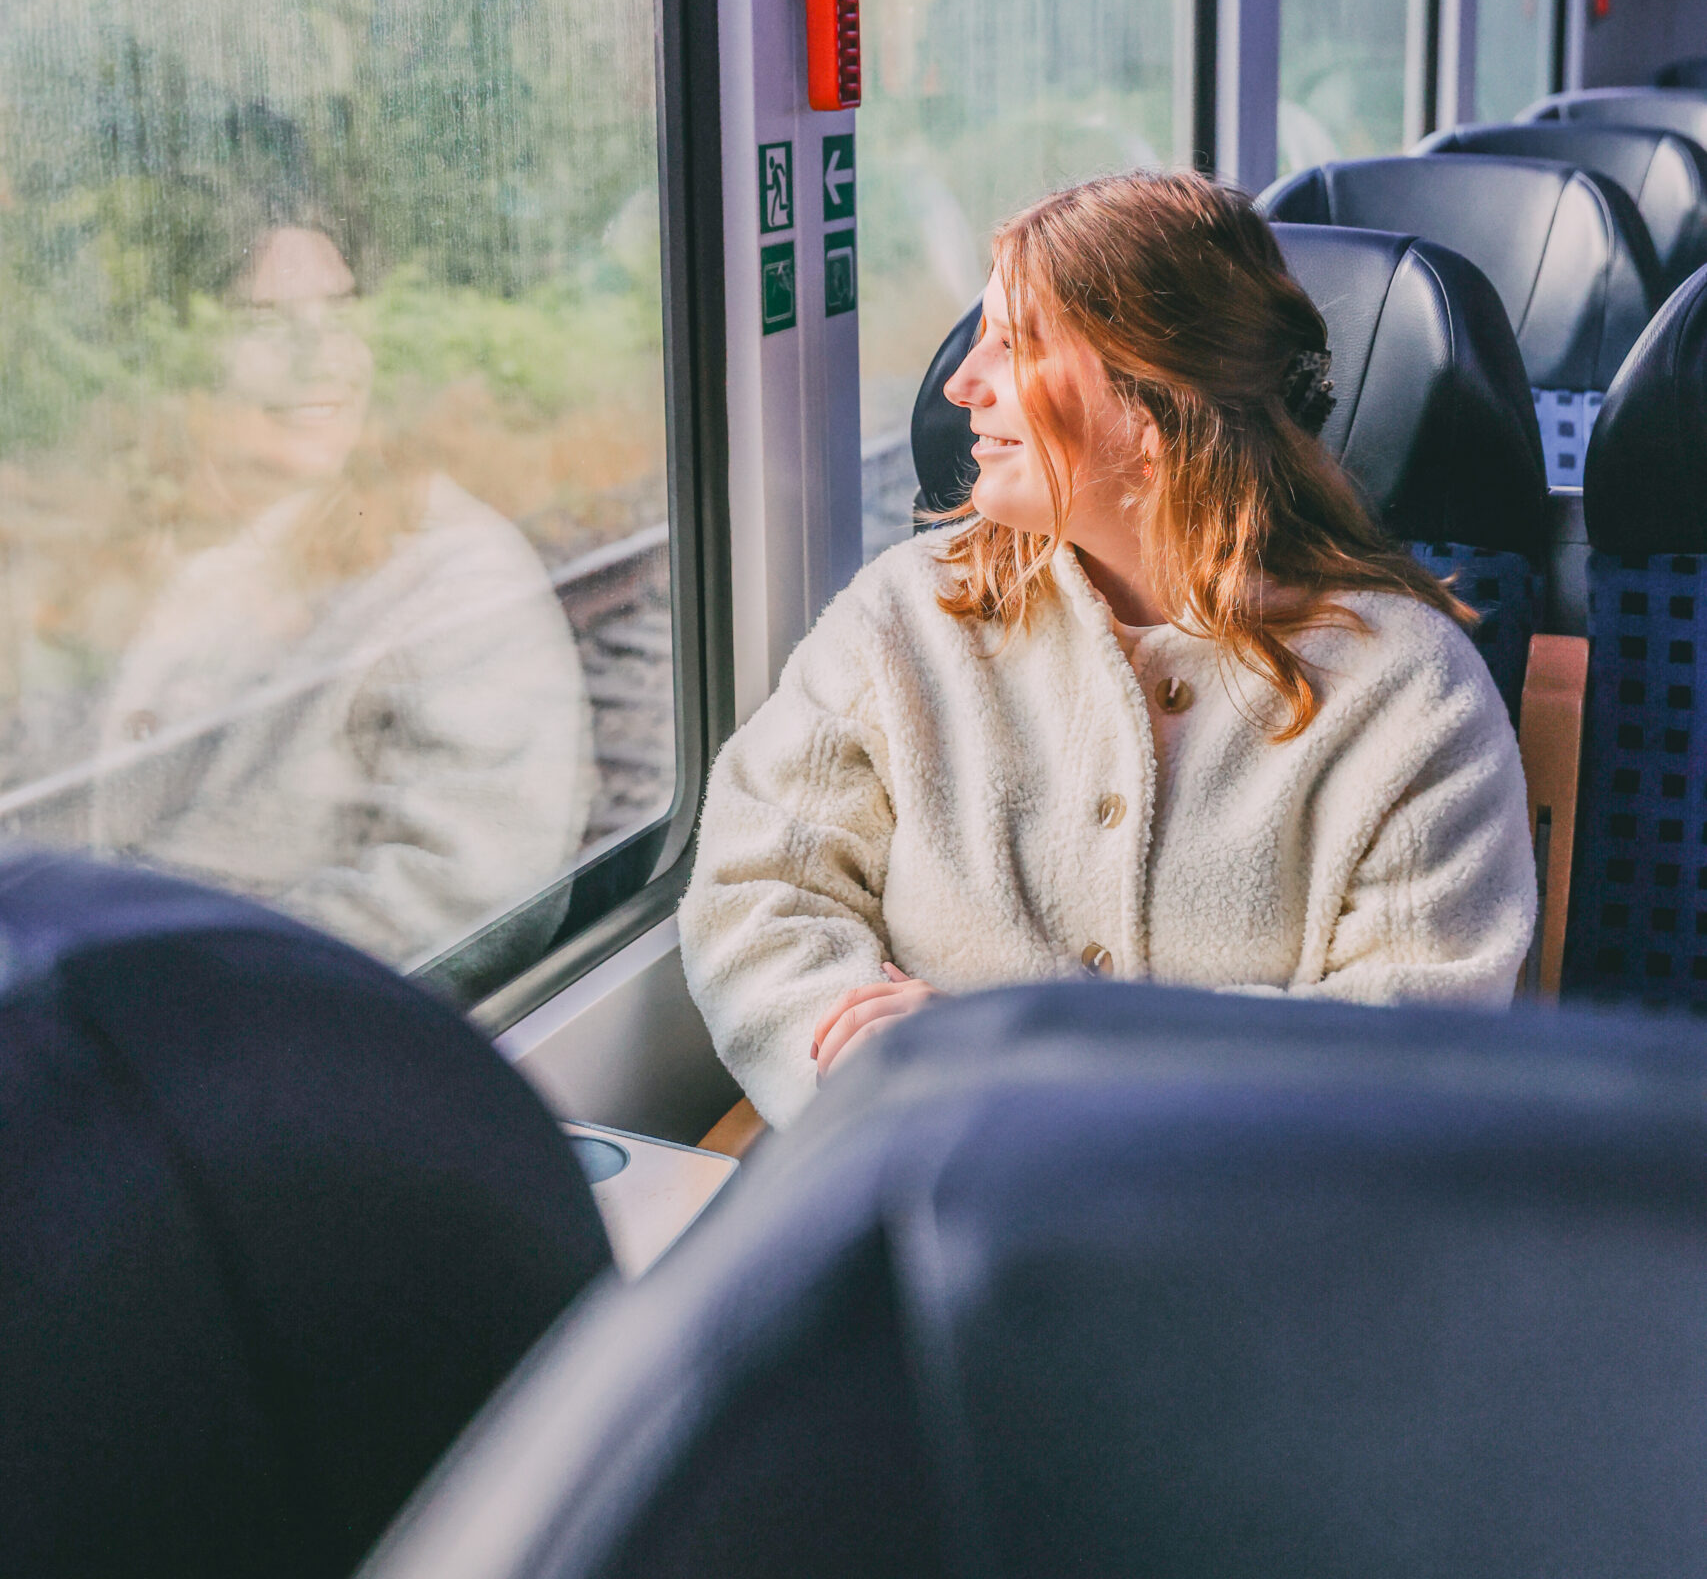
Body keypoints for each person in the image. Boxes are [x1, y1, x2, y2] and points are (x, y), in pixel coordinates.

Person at [680, 171, 1535, 1129]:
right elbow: (762, 893)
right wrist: (877, 1090)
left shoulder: (1408, 692)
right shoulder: (905, 616)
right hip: (917, 1178)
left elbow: (1409, 1048)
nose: (961, 383)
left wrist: (1018, 1063)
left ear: (1157, 405)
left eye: (1015, 345)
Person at [90, 222, 591, 969]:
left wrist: (193, 1000)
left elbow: (480, 892)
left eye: (342, 315)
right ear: (181, 357)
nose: (319, 357)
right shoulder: (123, 536)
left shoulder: (455, 569)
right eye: (264, 323)